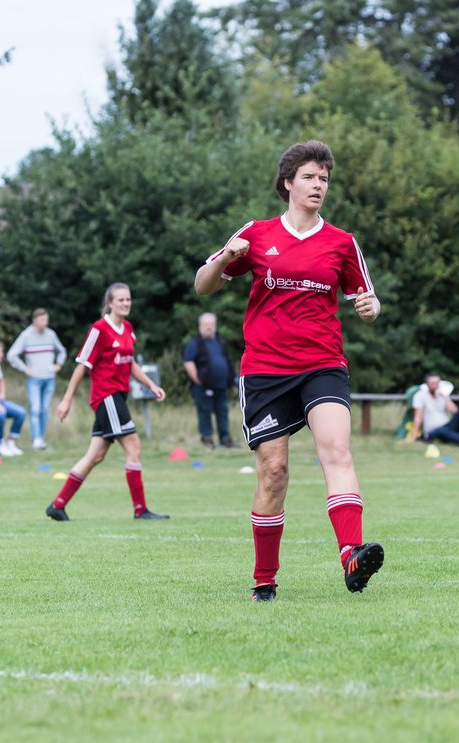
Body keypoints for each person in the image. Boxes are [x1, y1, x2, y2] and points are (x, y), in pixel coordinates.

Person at [195, 139, 385, 602]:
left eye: (324, 179)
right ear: (288, 183)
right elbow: (203, 286)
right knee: (274, 470)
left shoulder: (341, 243)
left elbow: (370, 299)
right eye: (309, 177)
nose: (318, 185)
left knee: (336, 452)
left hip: (323, 363)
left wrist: (369, 306)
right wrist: (224, 258)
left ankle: (351, 555)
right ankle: (264, 578)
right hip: (264, 369)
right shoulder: (256, 234)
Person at [45, 283, 169, 522]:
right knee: (134, 447)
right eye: (121, 300)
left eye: (128, 299)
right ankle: (140, 510)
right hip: (106, 396)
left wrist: (151, 385)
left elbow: (130, 362)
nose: (126, 303)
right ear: (110, 303)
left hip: (118, 396)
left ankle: (58, 505)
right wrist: (66, 400)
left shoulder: (128, 329)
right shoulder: (99, 329)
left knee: (95, 456)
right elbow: (82, 365)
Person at [8, 308, 67, 451]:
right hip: (34, 379)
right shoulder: (26, 335)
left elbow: (62, 351)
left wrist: (58, 364)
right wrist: (25, 368)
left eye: (46, 320)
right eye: (42, 320)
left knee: (45, 410)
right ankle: (36, 440)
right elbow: (11, 355)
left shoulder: (51, 334)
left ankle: (41, 439)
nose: (45, 323)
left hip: (49, 378)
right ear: (34, 320)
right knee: (35, 409)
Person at [182, 312, 236, 449]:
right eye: (206, 324)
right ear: (200, 326)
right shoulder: (195, 344)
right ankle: (207, 440)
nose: (209, 327)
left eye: (211, 324)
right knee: (204, 412)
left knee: (223, 412)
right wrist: (197, 379)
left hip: (222, 385)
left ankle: (225, 440)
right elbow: (188, 362)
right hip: (204, 386)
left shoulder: (220, 341)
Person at [412, 373, 459, 447]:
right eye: (432, 383)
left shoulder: (443, 395)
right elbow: (418, 417)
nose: (435, 385)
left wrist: (444, 396)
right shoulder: (420, 396)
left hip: (447, 425)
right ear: (427, 384)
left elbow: (455, 412)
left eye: (436, 383)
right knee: (442, 431)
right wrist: (413, 437)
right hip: (433, 430)